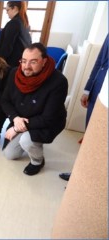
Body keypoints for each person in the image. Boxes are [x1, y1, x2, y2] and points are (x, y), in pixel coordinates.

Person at [0, 42, 68, 176]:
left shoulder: (59, 81)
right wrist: (15, 118)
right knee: (9, 154)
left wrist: (16, 128)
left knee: (26, 140)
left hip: (47, 123)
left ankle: (38, 161)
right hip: (21, 118)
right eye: (23, 61)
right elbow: (5, 100)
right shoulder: (14, 72)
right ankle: (28, 140)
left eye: (33, 62)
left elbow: (48, 118)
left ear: (44, 61)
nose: (26, 66)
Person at [59, 33, 109, 181]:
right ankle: (81, 175)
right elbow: (100, 61)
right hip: (97, 91)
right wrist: (88, 89)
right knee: (91, 136)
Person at [0, 1, 32, 68]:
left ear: (14, 8)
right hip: (20, 61)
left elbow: (7, 46)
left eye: (8, 10)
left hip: (11, 63)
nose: (6, 13)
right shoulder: (24, 22)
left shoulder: (14, 23)